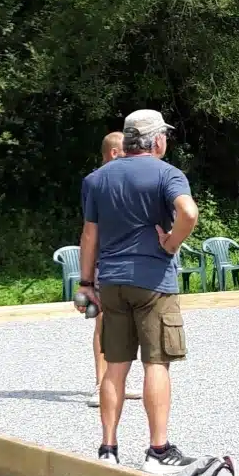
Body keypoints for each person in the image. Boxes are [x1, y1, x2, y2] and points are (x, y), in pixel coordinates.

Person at [75, 109, 198, 474]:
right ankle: (157, 451)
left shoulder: (97, 179)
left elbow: (89, 235)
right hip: (153, 282)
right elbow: (188, 212)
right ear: (156, 140)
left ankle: (108, 448)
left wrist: (86, 282)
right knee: (155, 362)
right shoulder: (167, 174)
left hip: (111, 282)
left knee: (115, 367)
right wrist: (172, 243)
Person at [85, 130, 135, 409]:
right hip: (106, 262)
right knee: (103, 323)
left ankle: (117, 383)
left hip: (128, 262)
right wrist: (87, 275)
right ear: (114, 153)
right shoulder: (95, 182)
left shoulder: (128, 179)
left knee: (124, 326)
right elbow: (90, 231)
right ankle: (100, 382)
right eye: (126, 151)